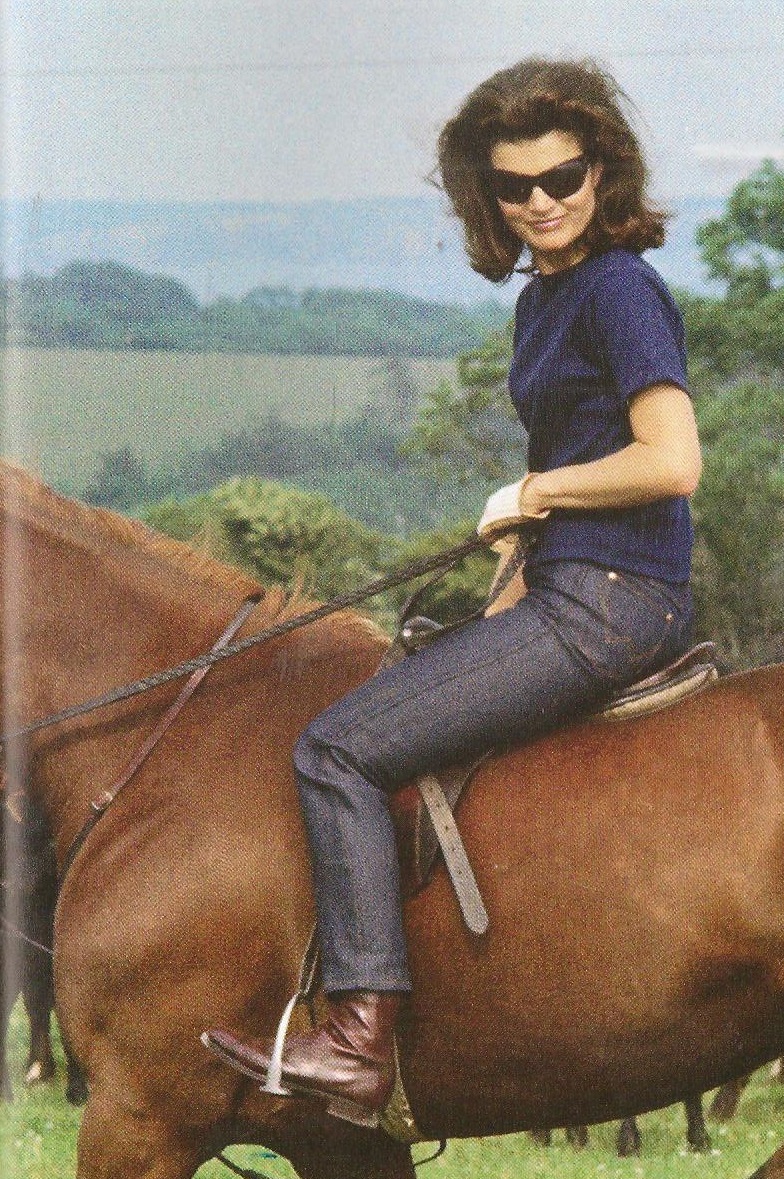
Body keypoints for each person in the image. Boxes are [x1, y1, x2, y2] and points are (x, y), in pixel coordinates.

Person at [204, 57, 702, 1125]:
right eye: (513, 187)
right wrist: (510, 572)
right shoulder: (546, 302)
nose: (541, 201)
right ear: (488, 201)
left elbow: (670, 461)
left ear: (601, 171)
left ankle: (357, 1035)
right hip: (568, 583)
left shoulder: (617, 288)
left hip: (614, 597)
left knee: (333, 747)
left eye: (561, 176)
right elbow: (562, 478)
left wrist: (534, 488)